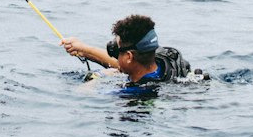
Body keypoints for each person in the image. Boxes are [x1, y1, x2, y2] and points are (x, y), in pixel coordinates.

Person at [62, 13, 194, 95]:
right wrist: (84, 49)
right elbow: (126, 65)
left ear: (129, 56)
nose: (114, 56)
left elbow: (82, 93)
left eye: (116, 51)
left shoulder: (133, 92)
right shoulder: (166, 62)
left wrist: (98, 78)